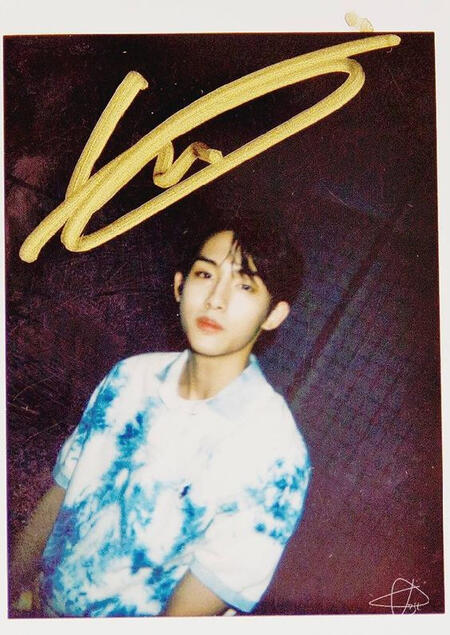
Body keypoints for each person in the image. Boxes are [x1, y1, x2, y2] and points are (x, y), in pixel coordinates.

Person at [10, 212, 311, 617]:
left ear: (273, 314)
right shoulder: (130, 377)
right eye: (205, 275)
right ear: (179, 286)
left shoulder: (274, 452)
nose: (216, 298)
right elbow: (61, 492)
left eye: (244, 285)